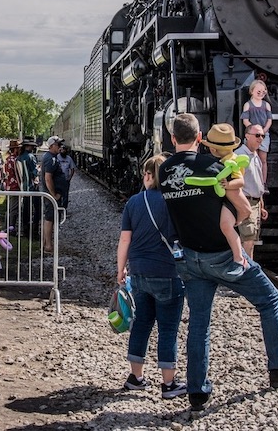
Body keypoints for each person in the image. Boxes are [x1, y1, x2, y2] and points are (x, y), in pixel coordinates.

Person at [159, 113, 278, 412]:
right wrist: (238, 219)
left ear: (173, 138)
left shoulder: (164, 170)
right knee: (269, 299)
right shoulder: (213, 166)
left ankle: (198, 392)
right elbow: (240, 203)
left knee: (199, 324)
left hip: (190, 258)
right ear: (199, 137)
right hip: (223, 256)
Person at [116, 155, 186, 399]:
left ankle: (136, 377)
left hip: (140, 272)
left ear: (147, 175)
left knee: (141, 323)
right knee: (168, 328)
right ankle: (168, 385)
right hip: (169, 272)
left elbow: (125, 240)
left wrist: (120, 270)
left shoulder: (134, 203)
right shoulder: (176, 201)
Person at [233, 124, 269, 259]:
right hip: (246, 202)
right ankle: (245, 270)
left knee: (250, 240)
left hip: (255, 203)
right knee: (247, 240)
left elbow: (257, 183)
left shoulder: (256, 156)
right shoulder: (240, 156)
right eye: (257, 135)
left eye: (263, 136)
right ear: (247, 136)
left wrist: (261, 205)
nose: (261, 139)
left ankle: (247, 268)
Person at [241, 79, 273, 183]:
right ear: (252, 91)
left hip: (264, 134)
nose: (261, 94)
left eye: (263, 92)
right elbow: (245, 120)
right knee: (250, 157)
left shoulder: (266, 105)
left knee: (263, 159)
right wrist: (254, 130)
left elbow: (269, 120)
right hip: (252, 134)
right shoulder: (248, 105)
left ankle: (263, 182)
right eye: (258, 91)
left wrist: (263, 131)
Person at [42, 137, 69, 252]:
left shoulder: (52, 158)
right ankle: (48, 245)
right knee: (49, 218)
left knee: (51, 218)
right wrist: (53, 194)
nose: (60, 146)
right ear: (52, 145)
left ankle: (47, 243)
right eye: (58, 144)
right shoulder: (50, 159)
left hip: (52, 195)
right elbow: (48, 178)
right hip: (51, 196)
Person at [16, 137, 41, 238]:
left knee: (26, 209)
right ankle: (34, 230)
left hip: (23, 186)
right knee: (37, 208)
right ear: (29, 146)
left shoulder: (19, 157)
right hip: (32, 186)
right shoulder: (30, 157)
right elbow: (34, 172)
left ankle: (25, 229)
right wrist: (38, 169)